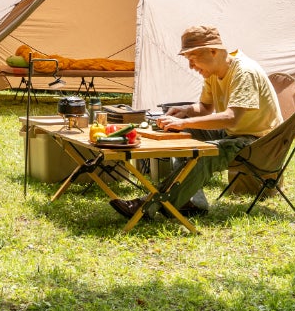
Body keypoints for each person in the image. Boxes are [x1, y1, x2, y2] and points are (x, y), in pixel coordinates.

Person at [109, 25, 282, 220]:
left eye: (193, 59)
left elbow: (232, 117)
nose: (191, 66)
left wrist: (184, 123)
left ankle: (149, 207)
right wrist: (186, 112)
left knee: (203, 155)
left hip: (261, 143)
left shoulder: (244, 72)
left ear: (213, 51)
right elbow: (205, 108)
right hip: (235, 134)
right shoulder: (213, 72)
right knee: (178, 137)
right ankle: (191, 202)